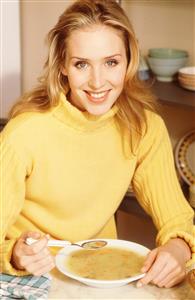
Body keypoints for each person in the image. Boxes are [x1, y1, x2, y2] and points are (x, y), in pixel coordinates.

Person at [0, 0, 194, 289]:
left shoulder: (145, 128)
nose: (97, 82)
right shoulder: (24, 133)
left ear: (129, 61)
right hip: (27, 277)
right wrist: (15, 253)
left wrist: (179, 248)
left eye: (111, 62)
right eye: (81, 64)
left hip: (99, 275)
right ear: (62, 66)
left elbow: (177, 217)